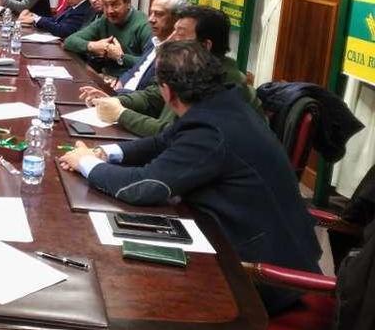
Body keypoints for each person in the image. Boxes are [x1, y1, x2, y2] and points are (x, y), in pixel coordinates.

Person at [58, 41, 321, 315]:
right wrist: (106, 152)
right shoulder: (223, 102)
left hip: (263, 276)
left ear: (167, 91)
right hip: (262, 244)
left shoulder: (210, 130)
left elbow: (145, 187)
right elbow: (163, 141)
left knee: (136, 296)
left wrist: (85, 163)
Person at [81, 5, 261, 137]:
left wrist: (121, 114)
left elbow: (174, 134)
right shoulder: (190, 68)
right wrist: (113, 100)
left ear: (205, 45)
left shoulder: (223, 83)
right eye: (173, 32)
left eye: (181, 35)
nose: (170, 40)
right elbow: (152, 96)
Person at [64, 0, 151, 77]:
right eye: (105, 5)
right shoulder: (104, 20)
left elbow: (151, 65)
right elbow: (69, 41)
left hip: (131, 83)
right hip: (106, 77)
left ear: (128, 3)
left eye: (115, 5)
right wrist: (94, 46)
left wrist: (120, 57)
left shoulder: (144, 25)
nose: (109, 11)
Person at [113, 0, 187, 92]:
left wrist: (119, 95)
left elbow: (150, 95)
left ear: (177, 19)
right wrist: (121, 82)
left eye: (159, 14)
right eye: (151, 13)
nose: (151, 19)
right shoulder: (154, 40)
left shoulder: (179, 54)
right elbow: (135, 70)